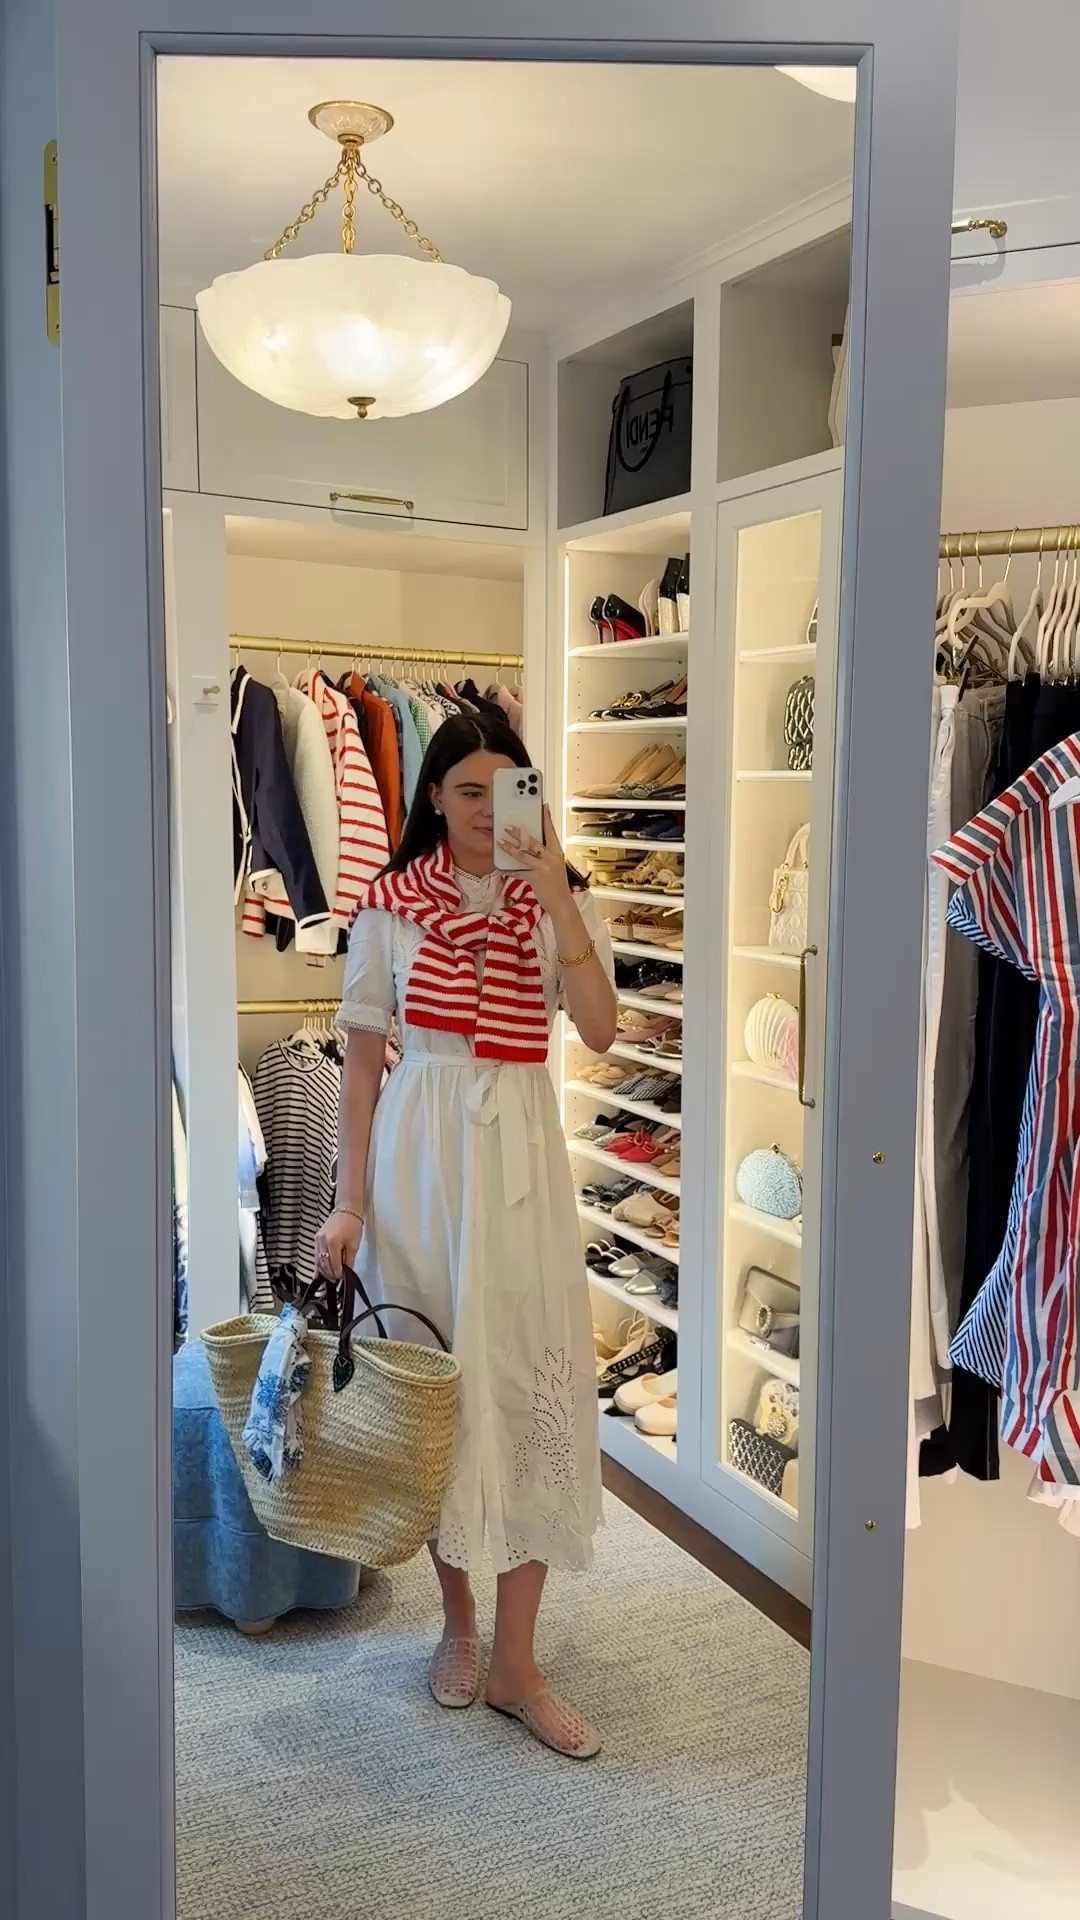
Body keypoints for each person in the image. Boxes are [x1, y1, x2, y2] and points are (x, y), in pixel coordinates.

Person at [315, 712, 618, 1759]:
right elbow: (359, 1069)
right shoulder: (387, 912)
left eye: (509, 789)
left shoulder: (555, 898)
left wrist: (556, 900)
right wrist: (348, 1202)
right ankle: (458, 1623)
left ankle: (518, 1665)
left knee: (532, 1379)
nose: (491, 812)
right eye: (470, 791)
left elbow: (600, 1028)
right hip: (421, 1163)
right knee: (438, 1388)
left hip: (524, 1156)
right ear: (434, 798)